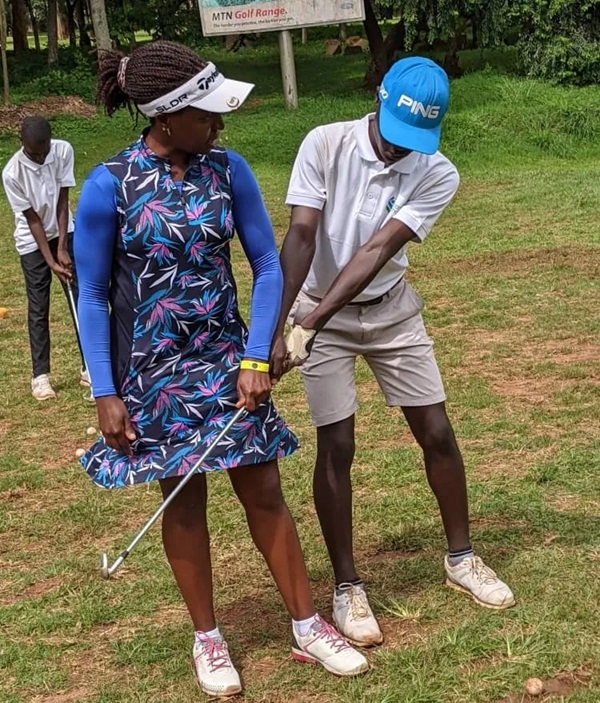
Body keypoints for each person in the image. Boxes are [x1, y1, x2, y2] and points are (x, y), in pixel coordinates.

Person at [74, 41, 368, 698]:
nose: (220, 126)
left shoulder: (226, 170)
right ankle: (207, 636)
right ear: (166, 117)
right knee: (183, 503)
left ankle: (307, 621)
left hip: (228, 364)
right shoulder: (107, 186)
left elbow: (267, 266)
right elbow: (91, 295)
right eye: (208, 114)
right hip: (153, 376)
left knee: (263, 491)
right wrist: (104, 391)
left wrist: (256, 354)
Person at [271, 57, 515, 648]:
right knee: (338, 442)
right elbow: (302, 234)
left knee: (436, 430)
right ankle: (348, 586)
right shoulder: (324, 144)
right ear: (378, 101)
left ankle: (461, 558)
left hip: (386, 307)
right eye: (395, 136)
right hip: (312, 302)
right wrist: (277, 327)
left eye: (414, 143)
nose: (398, 152)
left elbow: (378, 248)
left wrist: (312, 323)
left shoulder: (437, 172)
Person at [2, 116, 89, 400]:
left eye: (44, 151)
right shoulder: (12, 172)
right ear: (22, 145)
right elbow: (33, 220)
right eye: (34, 153)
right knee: (39, 306)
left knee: (80, 297)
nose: (40, 158)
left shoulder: (62, 151)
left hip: (65, 230)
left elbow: (63, 201)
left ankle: (90, 368)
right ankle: (40, 376)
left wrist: (62, 247)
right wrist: (50, 260)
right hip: (31, 240)